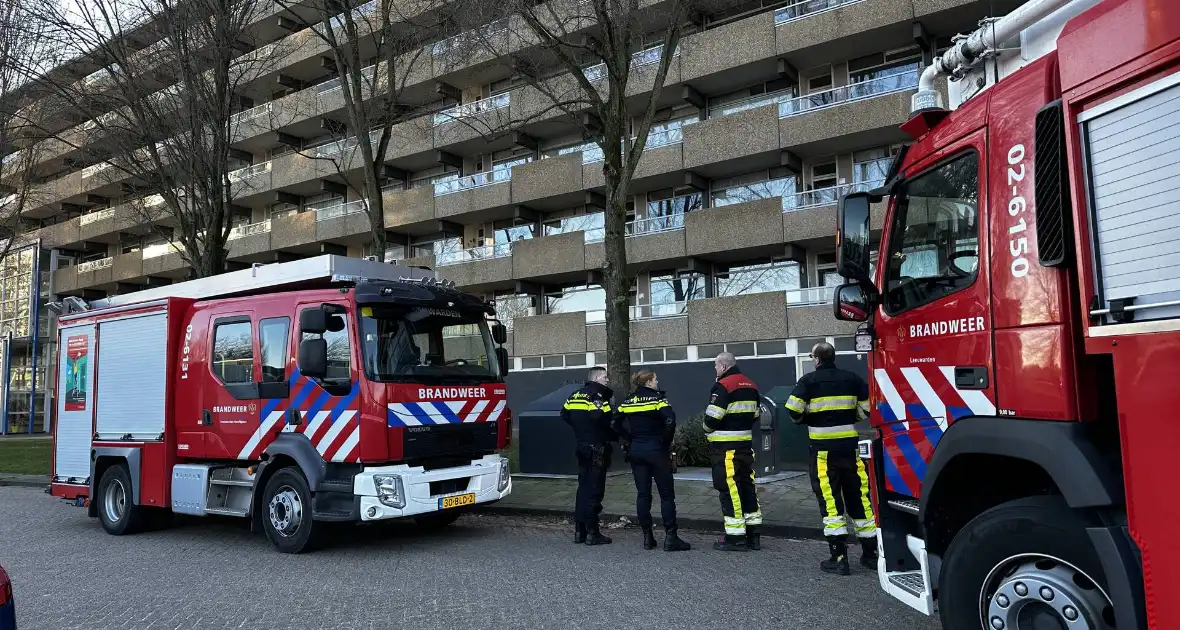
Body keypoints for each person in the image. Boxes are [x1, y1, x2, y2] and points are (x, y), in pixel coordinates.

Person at [785, 341, 876, 576]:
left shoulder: (808, 381)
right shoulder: (852, 378)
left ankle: (839, 557)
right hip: (850, 449)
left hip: (823, 451)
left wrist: (810, 418)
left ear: (816, 360)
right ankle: (870, 555)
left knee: (830, 501)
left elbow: (793, 410)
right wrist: (849, 417)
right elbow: (867, 408)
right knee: (860, 499)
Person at [613, 370, 691, 552]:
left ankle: (647, 537)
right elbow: (670, 420)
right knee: (666, 495)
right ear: (648, 382)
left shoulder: (629, 401)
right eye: (655, 379)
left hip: (637, 451)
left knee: (643, 494)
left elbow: (614, 423)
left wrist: (629, 438)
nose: (657, 382)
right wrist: (664, 440)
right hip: (656, 451)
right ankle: (671, 537)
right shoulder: (658, 399)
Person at [703, 352, 763, 552]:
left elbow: (712, 418)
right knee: (747, 486)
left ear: (723, 366)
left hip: (725, 449)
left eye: (715, 366)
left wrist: (706, 430)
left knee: (729, 490)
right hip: (745, 446)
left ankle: (735, 537)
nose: (715, 370)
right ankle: (754, 535)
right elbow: (755, 414)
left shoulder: (723, 386)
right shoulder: (751, 385)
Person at [560, 366, 616, 545]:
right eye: (605, 377)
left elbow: (565, 415)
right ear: (598, 378)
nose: (607, 380)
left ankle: (580, 530)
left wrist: (581, 430)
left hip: (581, 446)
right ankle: (593, 532)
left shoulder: (574, 395)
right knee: (595, 490)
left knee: (583, 488)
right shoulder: (599, 397)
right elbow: (606, 422)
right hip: (597, 448)